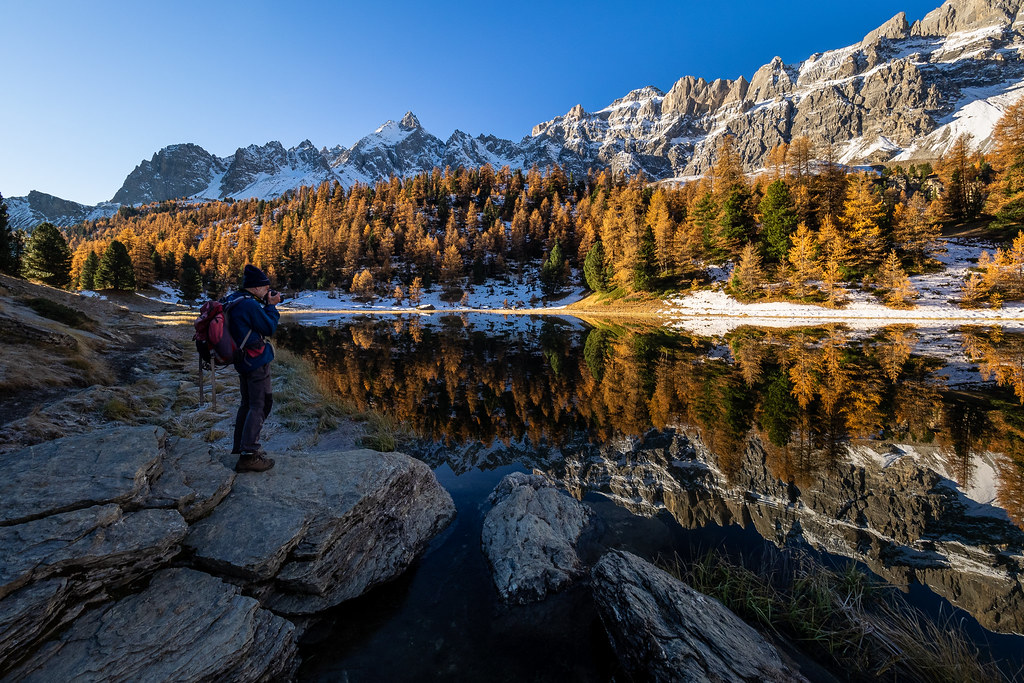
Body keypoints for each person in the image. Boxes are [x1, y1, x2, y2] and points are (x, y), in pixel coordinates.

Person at [225, 264, 282, 472]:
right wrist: (272, 306)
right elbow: (269, 327)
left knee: (247, 404)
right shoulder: (249, 305)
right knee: (261, 404)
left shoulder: (233, 299)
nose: (268, 292)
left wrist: (265, 304)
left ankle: (240, 448)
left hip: (242, 360)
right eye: (266, 288)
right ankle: (249, 456)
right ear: (256, 287)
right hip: (255, 361)